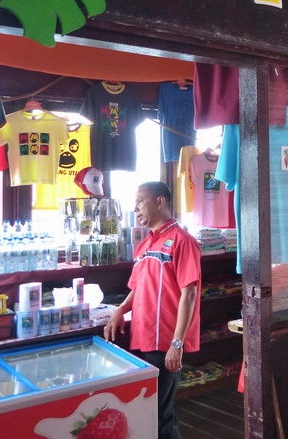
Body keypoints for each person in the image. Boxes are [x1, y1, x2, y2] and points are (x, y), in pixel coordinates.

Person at [104, 181, 202, 439]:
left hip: (166, 342)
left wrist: (177, 343)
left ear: (160, 201)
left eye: (140, 201)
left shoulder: (183, 241)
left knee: (160, 415)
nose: (135, 208)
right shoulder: (144, 245)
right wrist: (120, 309)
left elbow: (189, 294)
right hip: (142, 338)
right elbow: (138, 286)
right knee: (146, 412)